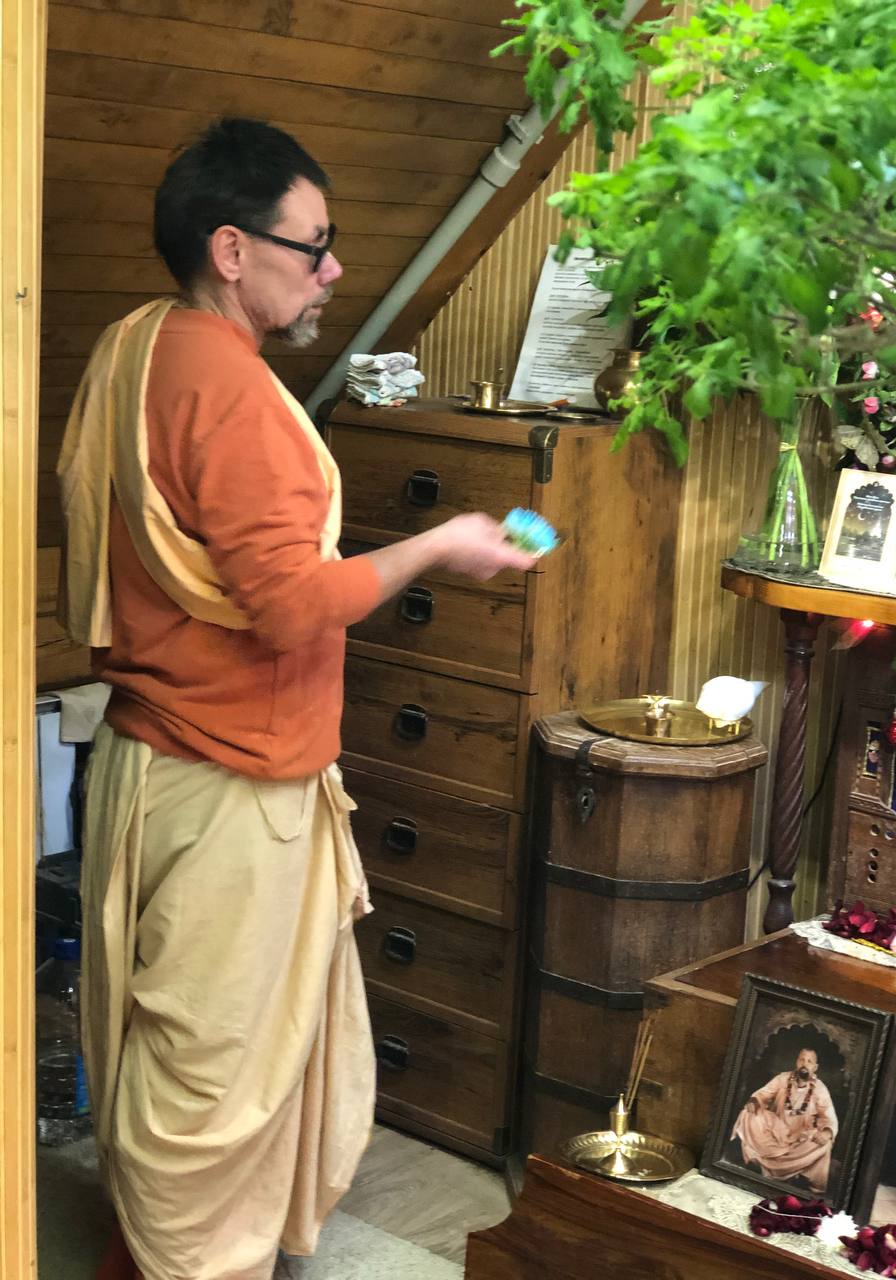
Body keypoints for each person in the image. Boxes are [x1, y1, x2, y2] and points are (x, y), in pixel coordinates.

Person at [56, 117, 537, 1280]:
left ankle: (153, 1249)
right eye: (312, 244)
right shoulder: (229, 389)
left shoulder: (139, 341)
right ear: (232, 249)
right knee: (217, 1077)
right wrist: (438, 544)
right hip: (228, 781)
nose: (333, 269)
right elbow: (288, 606)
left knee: (173, 1051)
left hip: (149, 754)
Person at [731, 1048, 838, 1193]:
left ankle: (777, 1166)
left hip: (800, 1138)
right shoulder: (783, 1078)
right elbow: (764, 1093)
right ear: (796, 1062)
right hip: (775, 1130)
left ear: (815, 1067)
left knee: (825, 1144)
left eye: (809, 1061)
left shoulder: (820, 1088)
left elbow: (828, 1115)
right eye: (802, 1059)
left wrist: (826, 1132)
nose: (804, 1064)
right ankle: (774, 1164)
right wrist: (754, 1101)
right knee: (748, 1114)